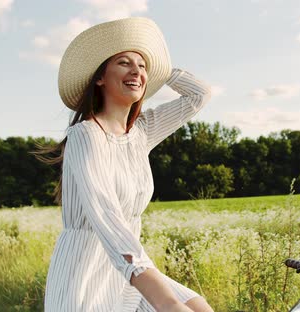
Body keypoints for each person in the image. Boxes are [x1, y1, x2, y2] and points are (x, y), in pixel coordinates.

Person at [37, 17, 213, 311]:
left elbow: (199, 95)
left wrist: (158, 67)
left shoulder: (141, 133)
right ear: (100, 77)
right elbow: (108, 217)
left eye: (142, 65)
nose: (136, 71)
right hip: (85, 276)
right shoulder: (85, 135)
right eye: (123, 63)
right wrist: (165, 300)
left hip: (127, 272)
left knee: (198, 306)